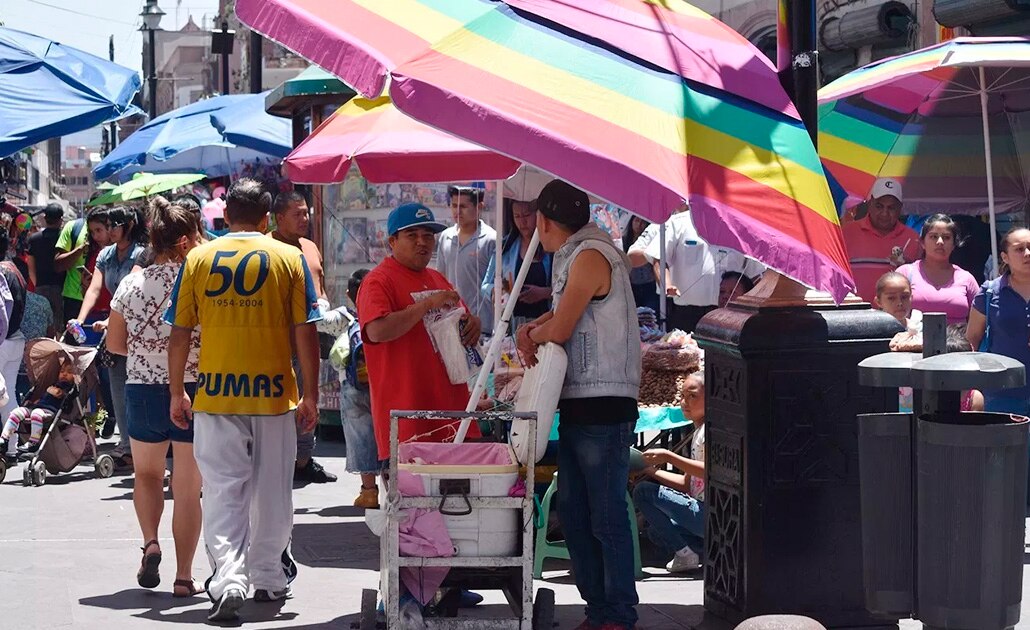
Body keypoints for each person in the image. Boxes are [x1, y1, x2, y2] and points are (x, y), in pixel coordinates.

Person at [165, 178, 321, 622]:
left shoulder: (198, 257)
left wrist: (178, 390)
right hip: (274, 395)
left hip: (215, 394)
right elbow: (305, 331)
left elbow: (179, 333)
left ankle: (229, 579)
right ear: (267, 218)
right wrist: (310, 393)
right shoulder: (290, 257)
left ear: (226, 215)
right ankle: (269, 577)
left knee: (222, 490)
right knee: (273, 490)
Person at [516, 180, 641, 630]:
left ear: (545, 223)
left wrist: (530, 334)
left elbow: (563, 326)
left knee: (604, 515)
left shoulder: (589, 255)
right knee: (576, 511)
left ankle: (617, 615)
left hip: (604, 401)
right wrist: (532, 329)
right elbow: (562, 312)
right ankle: (599, 610)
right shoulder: (579, 253)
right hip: (584, 399)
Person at [108, 197, 204, 597]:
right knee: (187, 486)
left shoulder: (132, 283)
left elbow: (116, 344)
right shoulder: (200, 282)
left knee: (146, 475)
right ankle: (184, 577)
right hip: (194, 388)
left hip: (142, 388)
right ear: (185, 240)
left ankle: (150, 542)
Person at [358, 202, 482, 463]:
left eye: (428, 235)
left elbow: (463, 320)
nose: (422, 242)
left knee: (458, 501)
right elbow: (377, 331)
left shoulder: (438, 278)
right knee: (412, 502)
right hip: (406, 423)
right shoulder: (378, 281)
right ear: (392, 241)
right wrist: (426, 305)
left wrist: (473, 325)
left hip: (453, 415)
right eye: (412, 235)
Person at [69, 205, 146, 467]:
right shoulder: (106, 254)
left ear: (130, 225)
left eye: (115, 225)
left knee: (138, 389)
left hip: (138, 329)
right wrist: (80, 320)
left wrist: (110, 318)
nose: (110, 230)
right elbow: (94, 289)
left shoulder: (142, 253)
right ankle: (127, 447)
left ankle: (143, 446)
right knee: (117, 387)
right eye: (108, 225)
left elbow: (131, 290)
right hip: (115, 328)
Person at [270, 191, 336, 484]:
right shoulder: (268, 247)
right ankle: (282, 460)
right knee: (285, 404)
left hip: (311, 334)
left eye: (306, 212)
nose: (304, 219)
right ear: (279, 218)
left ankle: (304, 459)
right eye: (297, 214)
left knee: (310, 399)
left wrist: (327, 309)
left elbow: (320, 285)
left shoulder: (309, 246)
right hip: (280, 341)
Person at [631, 208, 764, 333]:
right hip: (686, 315)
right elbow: (659, 258)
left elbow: (756, 275)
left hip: (729, 314)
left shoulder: (741, 228)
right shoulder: (678, 223)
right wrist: (666, 284)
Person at [632, 372, 706, 573]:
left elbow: (709, 471)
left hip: (707, 514)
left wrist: (669, 457)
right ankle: (699, 553)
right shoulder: (698, 431)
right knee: (655, 531)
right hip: (698, 514)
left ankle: (686, 554)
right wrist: (648, 469)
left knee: (643, 492)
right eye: (682, 396)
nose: (684, 402)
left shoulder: (708, 431)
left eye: (692, 396)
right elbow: (686, 484)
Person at [967, 227, 1030, 417]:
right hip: (1002, 392)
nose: (1027, 253)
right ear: (1005, 257)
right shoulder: (989, 293)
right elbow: (972, 340)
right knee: (1005, 446)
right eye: (1020, 249)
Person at [841, 178, 920, 303]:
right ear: (869, 204)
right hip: (855, 313)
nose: (884, 213)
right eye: (879, 206)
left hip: (896, 315)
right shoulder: (847, 233)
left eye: (891, 208)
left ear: (900, 208)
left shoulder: (913, 239)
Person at [340, 268, 379, 508]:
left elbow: (318, 320)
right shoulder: (382, 315)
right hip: (380, 386)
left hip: (353, 389)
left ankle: (369, 492)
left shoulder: (344, 317)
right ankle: (392, 486)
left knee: (361, 437)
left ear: (348, 294)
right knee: (386, 437)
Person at [482, 199, 552, 331]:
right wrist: (494, 291)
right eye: (517, 216)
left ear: (539, 215)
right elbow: (485, 285)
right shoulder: (504, 247)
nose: (522, 222)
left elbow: (566, 290)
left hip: (545, 325)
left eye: (526, 215)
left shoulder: (552, 248)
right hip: (512, 325)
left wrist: (545, 293)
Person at [895, 214, 978, 326]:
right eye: (933, 236)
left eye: (946, 237)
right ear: (922, 243)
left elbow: (979, 322)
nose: (940, 242)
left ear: (954, 244)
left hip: (957, 342)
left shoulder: (966, 279)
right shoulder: (905, 274)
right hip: (914, 342)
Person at [437, 185, 496, 335]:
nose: (457, 211)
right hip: (451, 324)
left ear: (479, 207)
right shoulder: (445, 237)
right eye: (454, 205)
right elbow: (441, 278)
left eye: (463, 206)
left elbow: (496, 286)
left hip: (482, 326)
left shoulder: (492, 239)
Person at [0, 356, 74, 455]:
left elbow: (61, 395)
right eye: (62, 371)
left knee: (36, 413)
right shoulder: (53, 382)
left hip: (50, 411)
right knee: (16, 412)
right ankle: (4, 438)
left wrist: (57, 392)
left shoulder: (69, 388)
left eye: (69, 372)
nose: (64, 374)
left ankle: (33, 442)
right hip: (37, 407)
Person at [26, 202, 65, 325]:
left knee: (42, 322)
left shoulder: (34, 239)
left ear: (45, 218)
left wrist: (37, 283)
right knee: (59, 322)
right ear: (61, 219)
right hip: (62, 287)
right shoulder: (64, 237)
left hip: (41, 285)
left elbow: (30, 266)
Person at [0, 262, 27, 424]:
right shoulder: (14, 270)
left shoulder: (3, 272)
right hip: (16, 338)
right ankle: (11, 447)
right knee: (8, 392)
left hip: (3, 340)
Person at [622, 216, 660, 312]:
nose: (639, 225)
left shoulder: (650, 240)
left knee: (651, 313)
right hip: (632, 285)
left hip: (649, 285)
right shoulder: (624, 241)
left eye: (643, 222)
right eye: (637, 221)